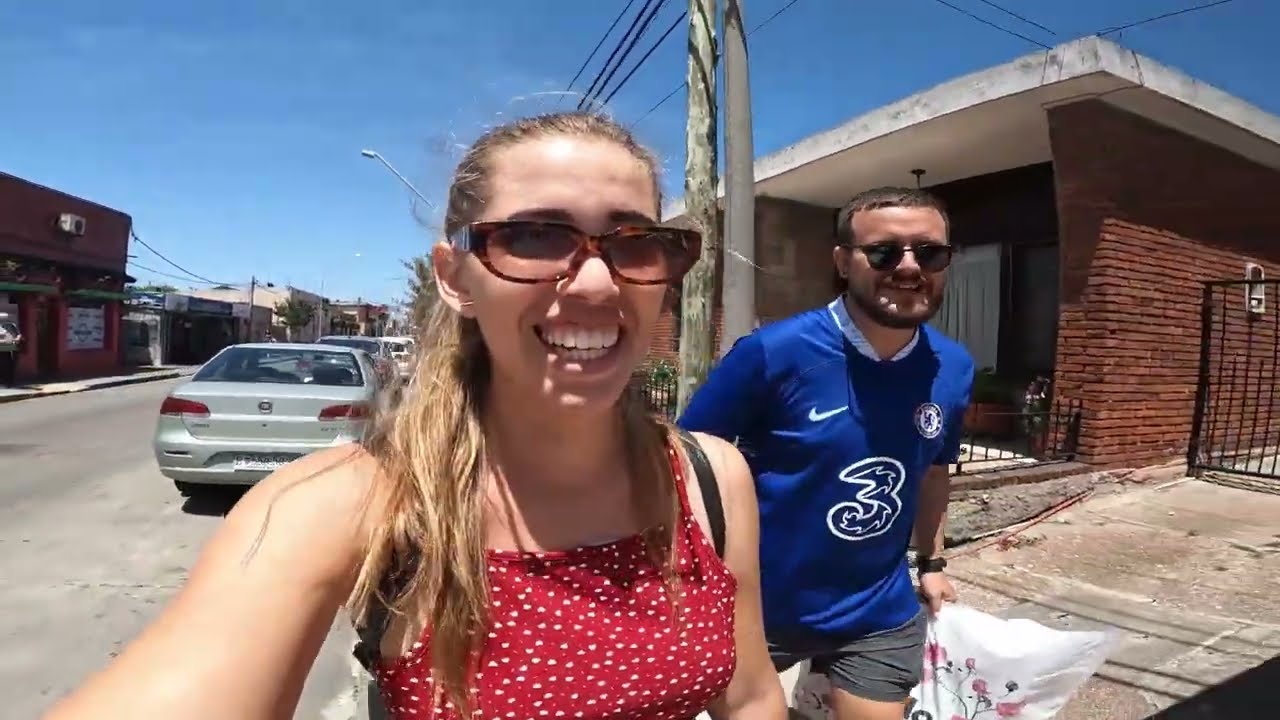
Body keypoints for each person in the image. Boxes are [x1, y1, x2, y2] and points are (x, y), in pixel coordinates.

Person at [46, 111, 786, 720]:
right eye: (534, 237)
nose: (595, 283)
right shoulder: (353, 503)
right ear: (455, 277)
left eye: (636, 242)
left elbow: (751, 695)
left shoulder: (709, 479)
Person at [679, 187, 975, 720]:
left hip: (877, 611)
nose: (909, 268)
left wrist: (932, 563)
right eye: (885, 252)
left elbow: (933, 471)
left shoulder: (952, 367)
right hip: (757, 608)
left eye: (929, 253)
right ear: (843, 261)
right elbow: (686, 467)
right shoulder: (771, 354)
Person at [0, 314, 22, 387]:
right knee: (3, 364)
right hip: (2, 348)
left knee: (10, 364)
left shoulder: (11, 325)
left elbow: (18, 334)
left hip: (11, 348)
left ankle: (9, 381)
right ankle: (3, 381)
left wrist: (17, 339)